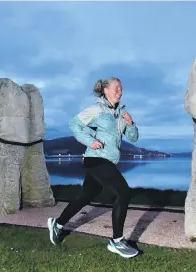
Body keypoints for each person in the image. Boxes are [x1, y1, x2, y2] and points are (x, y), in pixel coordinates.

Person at [47, 77, 140, 258]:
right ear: (106, 90)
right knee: (123, 192)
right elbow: (74, 124)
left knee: (85, 196)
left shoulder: (122, 113)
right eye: (117, 88)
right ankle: (117, 241)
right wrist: (91, 141)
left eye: (121, 88)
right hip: (96, 159)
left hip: (108, 161)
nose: (120, 91)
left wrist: (131, 124)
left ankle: (57, 225)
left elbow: (134, 138)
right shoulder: (97, 109)